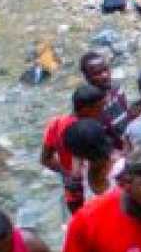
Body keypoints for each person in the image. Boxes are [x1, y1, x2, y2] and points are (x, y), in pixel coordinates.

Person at [43, 84, 110, 216]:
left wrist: (65, 173)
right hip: (92, 188)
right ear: (86, 109)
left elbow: (45, 159)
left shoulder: (56, 124)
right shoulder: (89, 131)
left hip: (72, 192)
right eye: (99, 108)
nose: (102, 112)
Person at [81, 51, 131, 146]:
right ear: (87, 77)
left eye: (105, 70)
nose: (105, 75)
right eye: (97, 73)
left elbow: (127, 115)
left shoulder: (117, 89)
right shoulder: (87, 106)